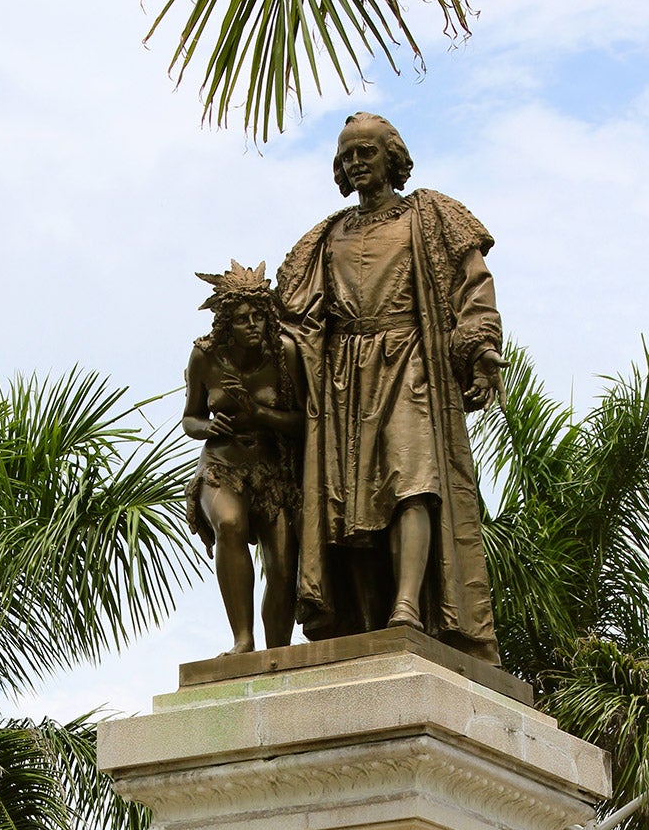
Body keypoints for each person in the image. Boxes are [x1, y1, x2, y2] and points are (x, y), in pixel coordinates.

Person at [276, 113, 506, 663]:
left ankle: (408, 605)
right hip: (343, 376)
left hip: (410, 360)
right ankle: (365, 615)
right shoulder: (325, 236)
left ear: (392, 157)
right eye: (348, 154)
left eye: (367, 152)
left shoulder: (430, 215)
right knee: (349, 505)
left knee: (414, 478)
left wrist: (481, 352)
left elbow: (473, 287)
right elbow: (290, 315)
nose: (357, 162)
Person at [183, 261, 305, 654]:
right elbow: (191, 417)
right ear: (225, 323)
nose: (251, 324)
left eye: (257, 315)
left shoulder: (283, 354)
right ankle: (242, 639)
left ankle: (278, 650)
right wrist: (207, 428)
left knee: (283, 565)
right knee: (231, 524)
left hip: (274, 470)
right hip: (222, 464)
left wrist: (260, 414)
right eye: (241, 319)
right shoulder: (205, 357)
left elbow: (306, 420)